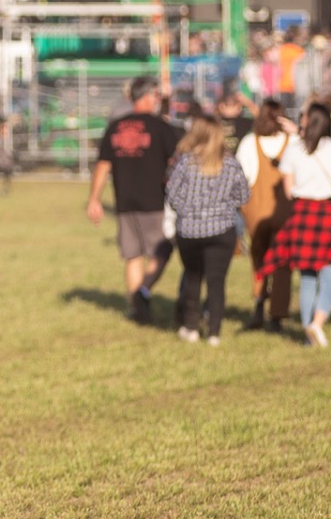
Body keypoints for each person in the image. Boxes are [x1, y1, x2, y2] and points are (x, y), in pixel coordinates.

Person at [86, 77, 182, 325]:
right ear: (149, 96)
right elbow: (177, 161)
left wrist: (94, 199)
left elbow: (103, 165)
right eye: (157, 95)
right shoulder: (160, 127)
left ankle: (136, 307)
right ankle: (143, 291)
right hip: (153, 202)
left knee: (133, 256)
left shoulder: (116, 126)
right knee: (163, 251)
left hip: (124, 200)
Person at [263, 103, 331, 348]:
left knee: (307, 275)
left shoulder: (293, 150)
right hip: (328, 212)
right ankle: (318, 322)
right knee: (330, 269)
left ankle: (307, 334)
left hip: (302, 212)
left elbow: (289, 191)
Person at [164, 113, 251, 346]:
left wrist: (190, 210)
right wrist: (221, 207)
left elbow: (172, 197)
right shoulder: (231, 164)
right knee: (217, 282)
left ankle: (190, 327)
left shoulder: (185, 163)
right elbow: (243, 196)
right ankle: (214, 332)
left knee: (193, 279)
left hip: (190, 231)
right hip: (222, 230)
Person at [236, 100, 295, 331]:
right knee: (282, 261)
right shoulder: (292, 142)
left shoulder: (250, 142)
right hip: (285, 209)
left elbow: (243, 177)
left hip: (256, 210)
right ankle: (278, 314)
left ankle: (259, 305)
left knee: (258, 259)